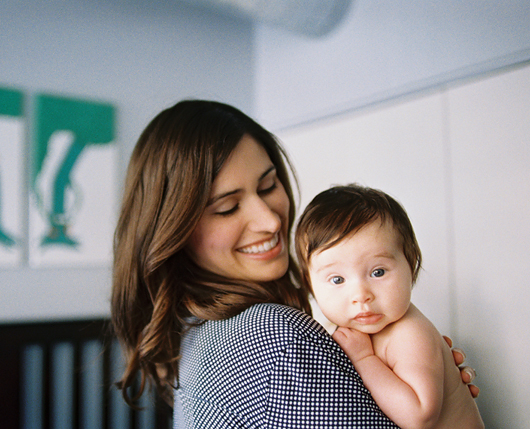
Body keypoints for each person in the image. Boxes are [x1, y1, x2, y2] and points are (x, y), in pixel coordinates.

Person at [111, 100, 478, 428]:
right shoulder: (272, 337)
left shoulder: (195, 332)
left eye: (269, 186)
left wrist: (419, 373)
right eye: (227, 207)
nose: (270, 222)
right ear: (175, 230)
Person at [295, 184, 484, 428]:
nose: (361, 295)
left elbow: (419, 416)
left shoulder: (409, 333)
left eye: (378, 271)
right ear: (310, 284)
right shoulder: (346, 328)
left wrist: (364, 360)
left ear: (411, 264)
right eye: (337, 279)